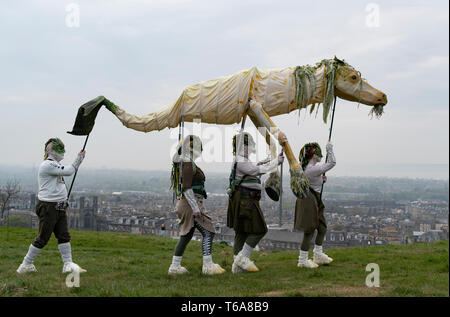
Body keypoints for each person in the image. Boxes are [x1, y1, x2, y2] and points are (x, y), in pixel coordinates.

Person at [17, 138, 86, 274]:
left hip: (58, 206)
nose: (63, 152)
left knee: (64, 235)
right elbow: (69, 171)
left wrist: (63, 200)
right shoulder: (47, 165)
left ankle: (67, 263)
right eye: (60, 149)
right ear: (52, 152)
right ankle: (26, 264)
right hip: (48, 207)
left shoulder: (53, 165)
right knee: (43, 237)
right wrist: (79, 159)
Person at [227, 132, 284, 273]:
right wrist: (275, 162)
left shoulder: (241, 160)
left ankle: (237, 267)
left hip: (243, 198)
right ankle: (242, 258)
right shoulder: (240, 160)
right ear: (243, 146)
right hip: (246, 199)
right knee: (261, 229)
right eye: (249, 145)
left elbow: (252, 171)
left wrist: (262, 163)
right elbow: (255, 170)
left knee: (241, 232)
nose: (251, 148)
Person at [169, 135, 226, 275]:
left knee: (186, 235)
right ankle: (208, 265)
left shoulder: (186, 162)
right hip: (191, 202)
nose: (200, 151)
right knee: (208, 231)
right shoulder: (187, 163)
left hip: (187, 202)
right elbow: (187, 187)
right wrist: (195, 208)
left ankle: (175, 267)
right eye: (199, 148)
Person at [294, 141, 336, 268]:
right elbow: (332, 163)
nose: (321, 155)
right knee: (310, 230)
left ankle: (318, 254)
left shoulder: (309, 168)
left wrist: (320, 181)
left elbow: (313, 182)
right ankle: (302, 260)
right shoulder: (312, 169)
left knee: (322, 227)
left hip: (314, 199)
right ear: (313, 154)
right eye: (318, 152)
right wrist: (330, 150)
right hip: (309, 200)